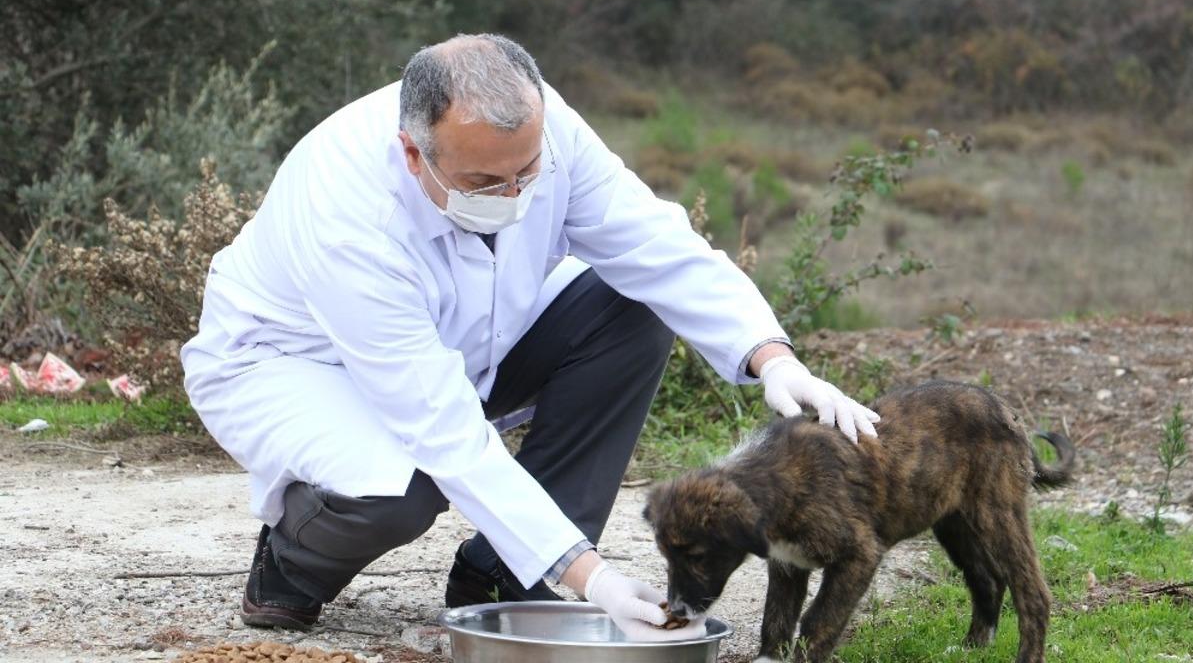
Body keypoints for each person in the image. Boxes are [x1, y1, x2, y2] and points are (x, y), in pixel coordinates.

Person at [180, 33, 879, 642]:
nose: (513, 195)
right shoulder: (345, 209)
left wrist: (771, 357)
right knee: (403, 486)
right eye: (485, 180)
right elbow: (436, 420)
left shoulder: (545, 129)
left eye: (527, 174)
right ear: (413, 153)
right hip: (296, 362)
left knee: (629, 308)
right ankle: (295, 559)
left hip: (468, 343)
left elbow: (656, 245)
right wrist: (594, 578)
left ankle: (508, 575)